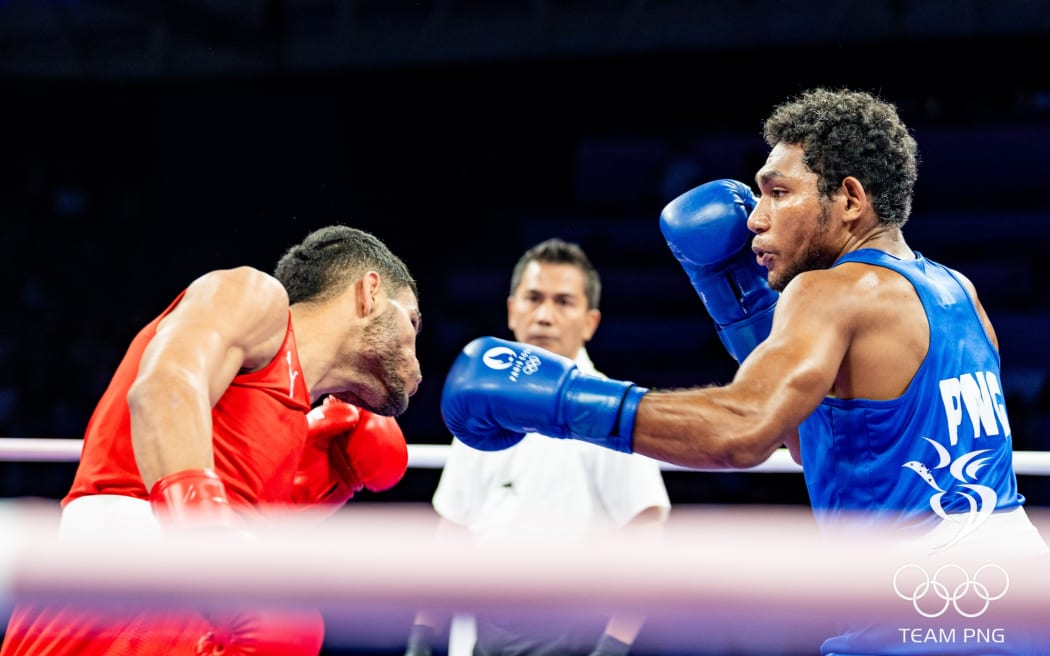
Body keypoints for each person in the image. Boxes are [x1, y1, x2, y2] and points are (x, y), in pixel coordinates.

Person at [439, 88, 1050, 654]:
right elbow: (819, 446)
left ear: (850, 199)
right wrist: (750, 315)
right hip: (1017, 594)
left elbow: (743, 430)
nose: (755, 217)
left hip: (926, 607)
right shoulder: (955, 290)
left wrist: (560, 399)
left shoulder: (832, 291)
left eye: (778, 192)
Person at [1, 225, 422, 656]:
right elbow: (163, 388)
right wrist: (208, 541)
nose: (418, 370)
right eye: (411, 322)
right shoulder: (256, 297)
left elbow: (234, 529)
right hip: (116, 586)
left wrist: (319, 488)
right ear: (369, 294)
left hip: (191, 608)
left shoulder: (293, 422)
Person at [406, 238, 670, 656]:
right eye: (533, 298)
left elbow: (646, 532)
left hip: (579, 632)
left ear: (590, 322)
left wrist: (613, 646)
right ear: (512, 310)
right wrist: (421, 637)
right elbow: (453, 529)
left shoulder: (605, 405)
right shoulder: (480, 404)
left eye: (563, 302)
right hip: (489, 634)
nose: (544, 316)